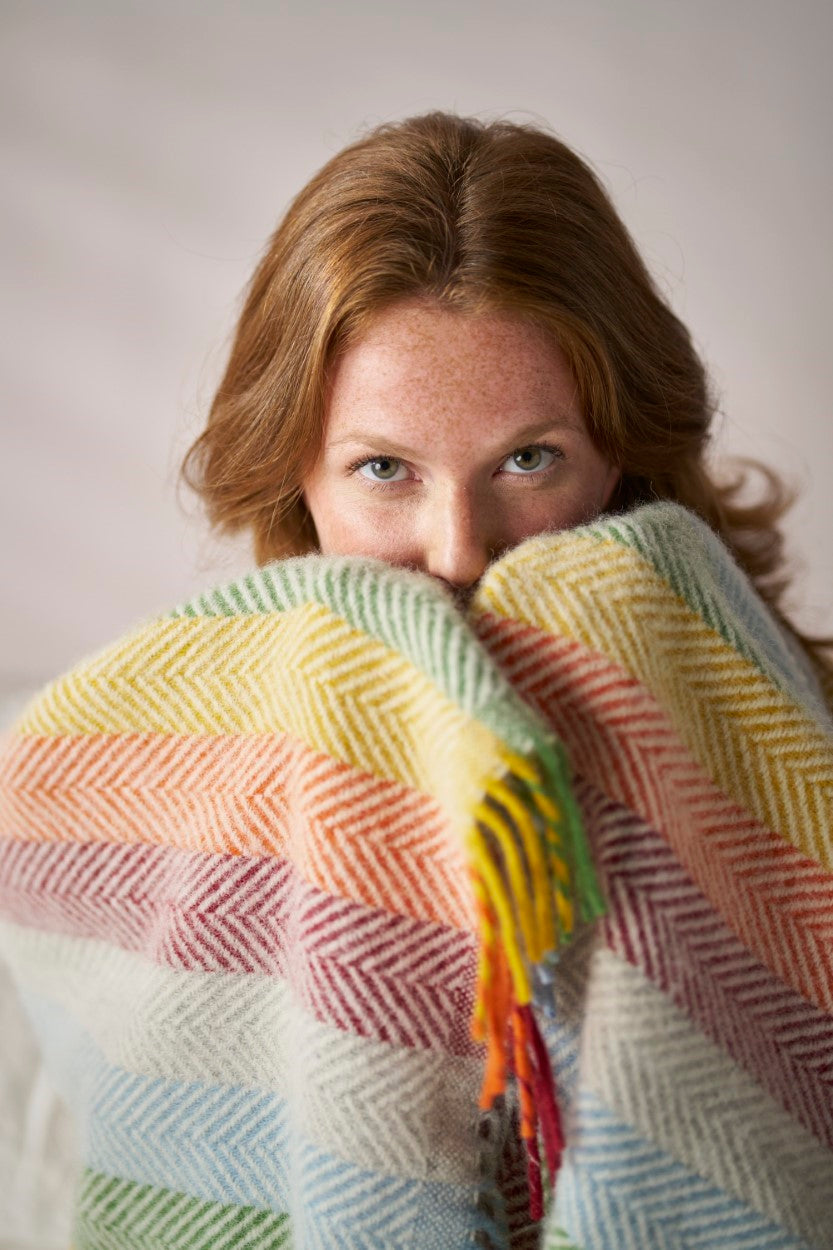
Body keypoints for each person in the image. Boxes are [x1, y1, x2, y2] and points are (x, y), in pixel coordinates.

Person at [180, 109, 831, 679]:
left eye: (527, 461)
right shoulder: (171, 773)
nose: (459, 559)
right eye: (384, 468)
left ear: (619, 456)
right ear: (291, 475)